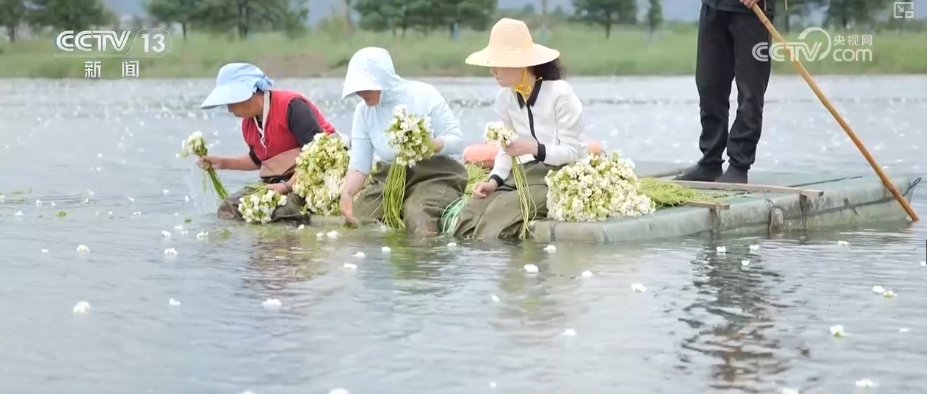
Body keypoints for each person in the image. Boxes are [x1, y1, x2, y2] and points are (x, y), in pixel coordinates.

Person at [453, 18, 588, 240]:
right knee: (470, 214)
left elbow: (573, 153)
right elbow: (505, 150)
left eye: (500, 62)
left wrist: (534, 148)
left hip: (559, 178)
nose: (493, 70)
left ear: (522, 63)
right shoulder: (505, 98)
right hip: (521, 177)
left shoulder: (560, 94)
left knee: (498, 215)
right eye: (492, 63)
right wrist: (493, 181)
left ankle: (514, 270)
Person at [338, 47, 468, 235]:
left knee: (418, 216)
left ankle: (427, 259)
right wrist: (347, 193)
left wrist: (427, 145)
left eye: (365, 87)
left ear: (382, 80)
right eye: (357, 88)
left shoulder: (424, 95)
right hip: (390, 179)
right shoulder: (363, 112)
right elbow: (360, 164)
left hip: (434, 175)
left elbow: (457, 141)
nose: (360, 93)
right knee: (360, 219)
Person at [198, 62, 338, 222]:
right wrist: (222, 163)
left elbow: (316, 155)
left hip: (313, 176)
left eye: (231, 103)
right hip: (279, 181)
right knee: (230, 207)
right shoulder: (248, 123)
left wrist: (287, 187)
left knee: (283, 211)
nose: (229, 110)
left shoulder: (292, 106)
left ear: (247, 96)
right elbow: (259, 159)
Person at [675, 0, 773, 184]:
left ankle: (739, 166)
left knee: (750, 93)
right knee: (709, 87)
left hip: (752, 11)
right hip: (713, 7)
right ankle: (710, 163)